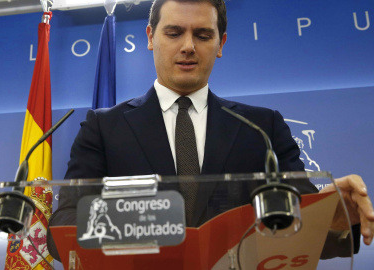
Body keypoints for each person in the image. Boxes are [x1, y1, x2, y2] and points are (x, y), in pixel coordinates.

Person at [48, 0, 374, 260]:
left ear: (221, 43)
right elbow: (61, 229)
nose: (188, 46)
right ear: (150, 37)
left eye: (203, 35)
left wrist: (335, 216)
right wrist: (146, 223)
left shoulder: (263, 128)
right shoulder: (103, 127)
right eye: (174, 33)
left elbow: (307, 227)